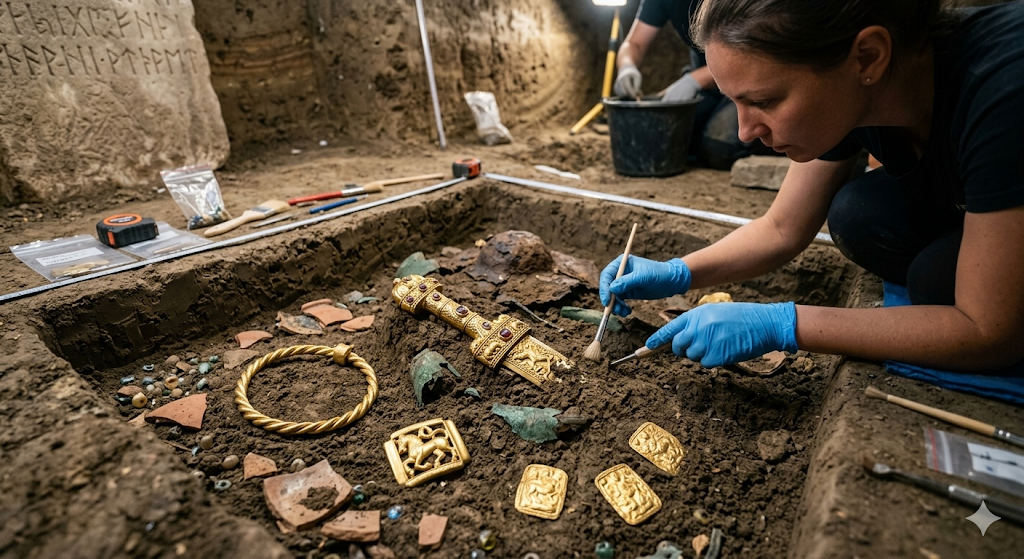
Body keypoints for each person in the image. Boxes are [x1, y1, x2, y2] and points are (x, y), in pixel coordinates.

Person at [600, 0, 1024, 374]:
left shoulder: (1003, 88)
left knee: (934, 280)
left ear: (867, 58)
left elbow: (988, 330)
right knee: (861, 214)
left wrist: (786, 325)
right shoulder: (854, 89)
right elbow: (783, 227)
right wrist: (679, 272)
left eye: (764, 101)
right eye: (736, 102)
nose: (744, 132)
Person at [614, 0, 757, 170]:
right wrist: (626, 67)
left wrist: (693, 81)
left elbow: (749, 54)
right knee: (669, 137)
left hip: (746, 80)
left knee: (719, 148)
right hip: (708, 84)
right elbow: (634, 43)